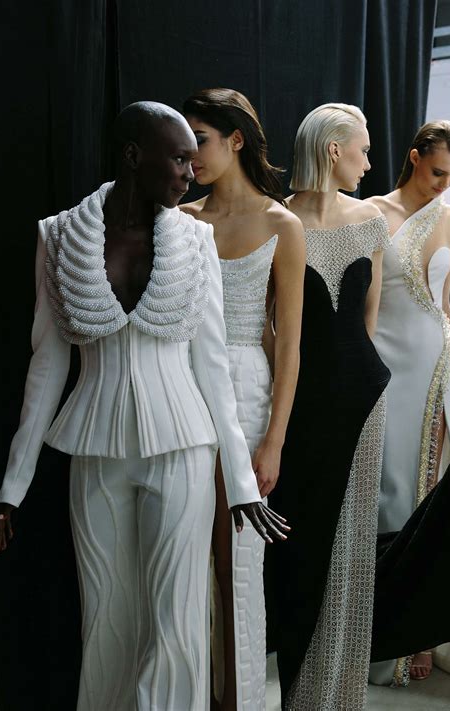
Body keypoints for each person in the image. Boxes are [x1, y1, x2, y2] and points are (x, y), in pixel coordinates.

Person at [0, 101, 289, 711]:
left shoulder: (196, 241)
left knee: (177, 620)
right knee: (104, 616)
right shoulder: (59, 235)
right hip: (94, 452)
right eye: (179, 157)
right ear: (134, 156)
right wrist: (11, 488)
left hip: (183, 446)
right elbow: (45, 368)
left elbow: (211, 368)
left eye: (193, 155)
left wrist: (240, 482)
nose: (190, 170)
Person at [180, 87, 306, 711]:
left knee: (241, 562)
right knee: (183, 556)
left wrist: (274, 439)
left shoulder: (282, 223)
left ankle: (242, 701)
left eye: (199, 138)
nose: (189, 153)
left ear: (235, 139)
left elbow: (287, 346)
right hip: (181, 391)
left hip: (249, 392)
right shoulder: (181, 218)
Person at [269, 103, 392, 710]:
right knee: (301, 547)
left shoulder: (371, 221)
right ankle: (297, 692)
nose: (371, 163)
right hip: (300, 410)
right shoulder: (278, 222)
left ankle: (340, 696)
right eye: (363, 150)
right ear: (332, 150)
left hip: (363, 401)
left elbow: (367, 324)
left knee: (352, 545)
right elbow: (274, 333)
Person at [366, 119, 450, 686]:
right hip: (388, 364)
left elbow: (445, 303)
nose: (443, 186)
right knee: (389, 493)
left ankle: (420, 635)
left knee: (431, 492)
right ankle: (383, 639)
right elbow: (368, 307)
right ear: (412, 158)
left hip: (434, 365)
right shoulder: (371, 213)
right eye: (436, 172)